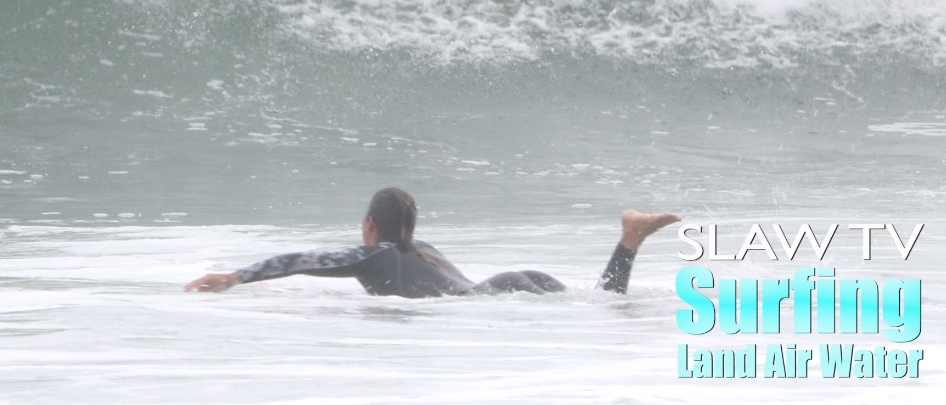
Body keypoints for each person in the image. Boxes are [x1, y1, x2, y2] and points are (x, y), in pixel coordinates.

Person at [183, 187, 681, 298]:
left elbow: (302, 259)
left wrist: (235, 276)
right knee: (602, 306)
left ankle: (631, 237)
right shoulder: (426, 249)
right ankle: (630, 240)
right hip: (510, 280)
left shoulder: (376, 255)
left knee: (602, 310)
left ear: (370, 224)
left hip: (496, 298)